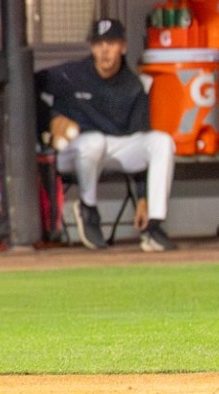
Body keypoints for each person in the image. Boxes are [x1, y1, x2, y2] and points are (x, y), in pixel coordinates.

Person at [36, 18, 179, 252]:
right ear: (92, 47)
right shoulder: (71, 74)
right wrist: (48, 121)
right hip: (71, 151)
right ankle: (88, 209)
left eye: (111, 43)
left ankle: (154, 224)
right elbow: (26, 84)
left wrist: (142, 196)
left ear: (122, 47)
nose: (104, 50)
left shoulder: (132, 85)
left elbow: (140, 137)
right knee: (94, 142)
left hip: (112, 150)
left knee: (162, 141)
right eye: (99, 43)